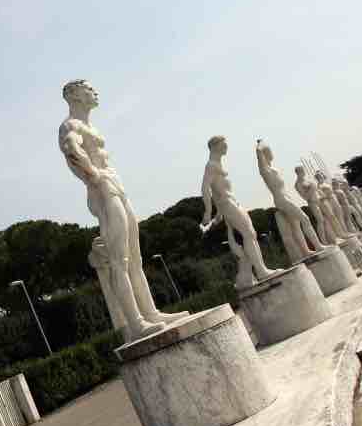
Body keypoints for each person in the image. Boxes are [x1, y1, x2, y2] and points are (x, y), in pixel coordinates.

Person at [58, 80, 185, 340]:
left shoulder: (89, 126)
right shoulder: (70, 125)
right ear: (74, 95)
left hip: (115, 186)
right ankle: (136, 323)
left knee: (135, 258)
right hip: (104, 189)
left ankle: (151, 313)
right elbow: (71, 150)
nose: (95, 91)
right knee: (120, 261)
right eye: (88, 88)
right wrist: (94, 177)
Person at [200, 136, 278, 288]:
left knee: (251, 234)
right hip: (227, 203)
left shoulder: (216, 164)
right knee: (248, 234)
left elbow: (215, 190)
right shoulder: (210, 165)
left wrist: (218, 214)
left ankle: (251, 275)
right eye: (224, 144)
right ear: (215, 146)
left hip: (231, 202)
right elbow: (205, 188)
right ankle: (261, 271)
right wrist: (208, 211)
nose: (227, 146)